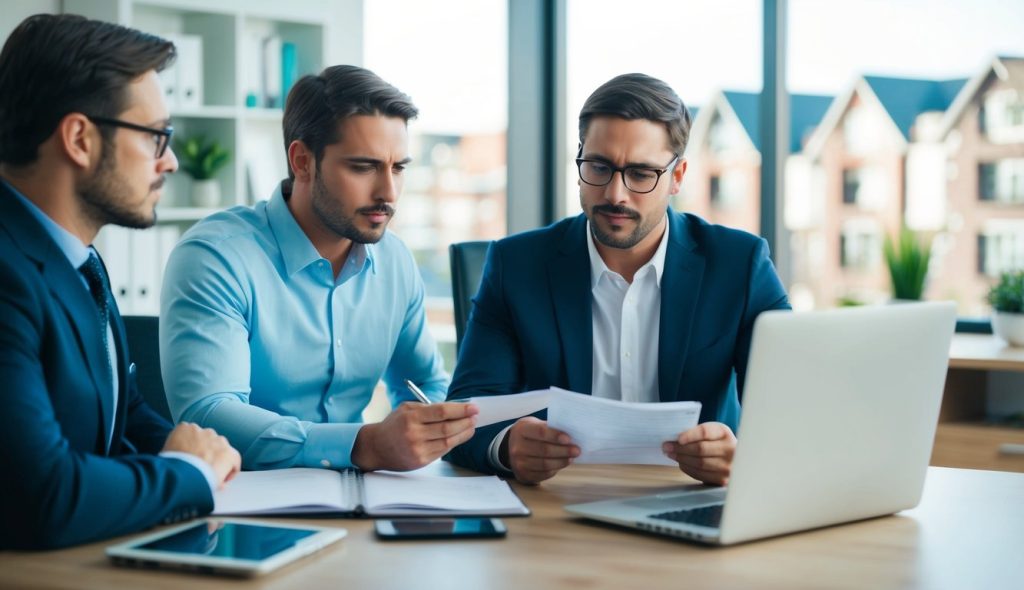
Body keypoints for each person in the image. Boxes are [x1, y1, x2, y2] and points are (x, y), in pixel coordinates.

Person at [446, 73, 790, 486]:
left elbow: (795, 410)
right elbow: (464, 415)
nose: (615, 194)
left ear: (677, 176)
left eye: (641, 174)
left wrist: (745, 453)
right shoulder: (515, 265)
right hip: (556, 508)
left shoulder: (740, 265)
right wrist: (505, 445)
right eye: (599, 167)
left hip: (690, 499)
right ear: (579, 164)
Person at [160, 65, 477, 473]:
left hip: (368, 501)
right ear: (303, 161)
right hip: (245, 504)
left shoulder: (395, 261)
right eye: (363, 167)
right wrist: (363, 445)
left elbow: (426, 384)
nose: (388, 193)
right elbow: (208, 413)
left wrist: (430, 430)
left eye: (398, 168)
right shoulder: (216, 256)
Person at [0, 14, 241, 550]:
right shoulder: (7, 275)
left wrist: (206, 458)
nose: (172, 161)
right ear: (80, 139)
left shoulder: (80, 259)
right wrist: (189, 475)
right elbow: (44, 494)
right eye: (157, 136)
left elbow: (120, 414)